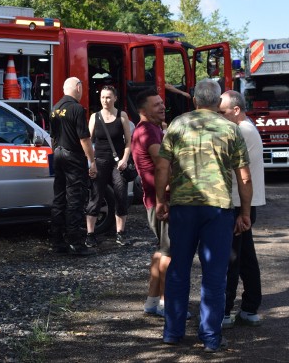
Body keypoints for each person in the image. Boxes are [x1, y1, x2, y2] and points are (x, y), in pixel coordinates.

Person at [155, 79, 252, 353]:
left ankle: (172, 332)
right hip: (217, 210)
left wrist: (161, 200)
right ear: (218, 102)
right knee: (214, 275)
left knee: (178, 269)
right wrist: (244, 212)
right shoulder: (231, 130)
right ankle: (210, 337)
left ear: (195, 100)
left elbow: (162, 167)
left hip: (183, 208)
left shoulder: (177, 125)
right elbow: (243, 177)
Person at [218, 90, 266, 328]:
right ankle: (249, 307)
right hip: (245, 202)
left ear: (236, 110)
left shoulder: (240, 131)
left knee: (231, 258)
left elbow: (231, 168)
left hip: (239, 203)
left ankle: (225, 311)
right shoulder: (247, 127)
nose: (219, 116)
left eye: (222, 112)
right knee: (246, 256)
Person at [130, 88, 171, 316]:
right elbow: (160, 163)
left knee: (160, 251)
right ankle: (168, 304)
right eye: (156, 104)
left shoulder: (151, 129)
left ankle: (152, 302)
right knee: (169, 254)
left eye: (162, 102)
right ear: (143, 110)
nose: (162, 107)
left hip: (154, 200)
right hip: (161, 202)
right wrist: (164, 198)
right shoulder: (148, 132)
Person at [50, 77, 97, 256]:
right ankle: (76, 243)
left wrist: (57, 152)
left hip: (59, 154)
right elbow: (84, 138)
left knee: (59, 198)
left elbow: (53, 136)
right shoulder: (76, 108)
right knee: (75, 200)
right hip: (73, 157)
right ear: (78, 88)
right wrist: (92, 161)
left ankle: (57, 242)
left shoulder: (55, 108)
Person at [85, 85, 132, 247]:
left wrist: (125, 160)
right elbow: (88, 142)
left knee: (120, 194)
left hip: (118, 162)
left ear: (115, 98)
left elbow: (129, 142)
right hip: (99, 161)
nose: (105, 100)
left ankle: (121, 233)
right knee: (96, 197)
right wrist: (91, 163)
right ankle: (90, 234)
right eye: (103, 97)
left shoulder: (122, 115)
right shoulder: (94, 117)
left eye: (108, 97)